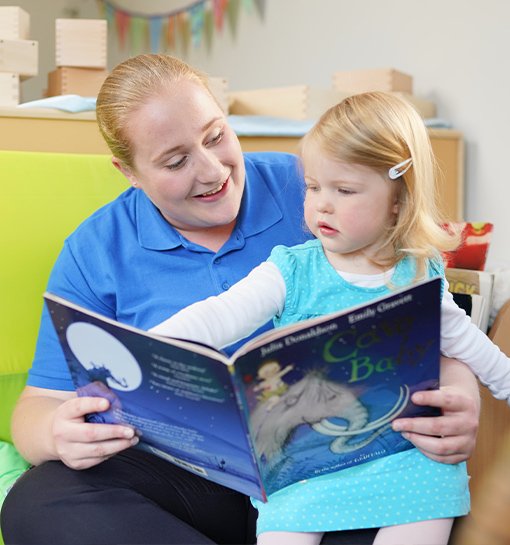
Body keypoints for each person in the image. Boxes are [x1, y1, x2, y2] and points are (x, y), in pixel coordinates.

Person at [0, 55, 480, 545]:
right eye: (175, 161)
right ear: (129, 172)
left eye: (215, 137)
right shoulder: (95, 249)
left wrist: (462, 395)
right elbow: (38, 407)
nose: (212, 171)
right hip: (187, 482)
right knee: (39, 500)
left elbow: (426, 305)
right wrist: (58, 433)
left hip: (329, 465)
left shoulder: (314, 189)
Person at [149, 91, 510, 545]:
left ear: (398, 198)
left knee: (430, 500)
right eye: (313, 187)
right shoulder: (292, 269)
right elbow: (219, 316)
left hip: (402, 459)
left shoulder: (418, 273)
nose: (322, 204)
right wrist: (145, 348)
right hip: (308, 463)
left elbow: (469, 345)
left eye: (344, 191)